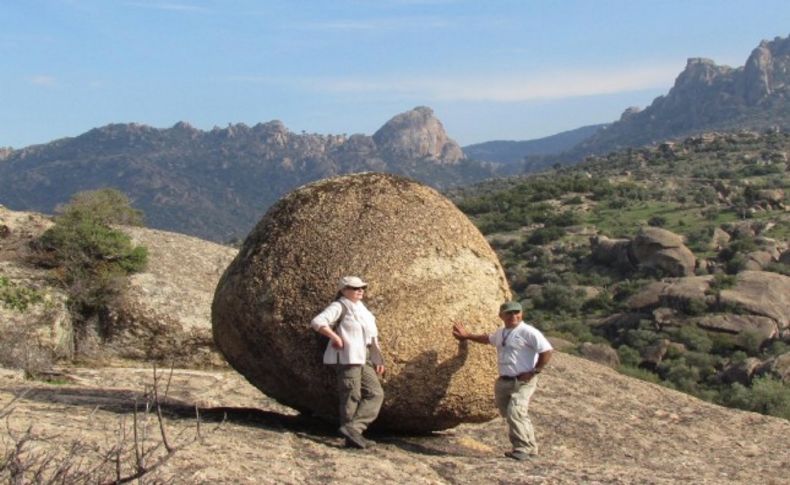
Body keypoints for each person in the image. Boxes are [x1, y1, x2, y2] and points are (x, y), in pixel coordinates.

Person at [452, 301, 553, 461]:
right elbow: (488, 339)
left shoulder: (529, 332)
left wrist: (535, 371)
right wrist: (467, 336)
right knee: (511, 414)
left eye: (516, 313)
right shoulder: (502, 333)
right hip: (504, 380)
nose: (513, 316)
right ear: (502, 316)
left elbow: (546, 350)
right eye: (509, 313)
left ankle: (523, 449)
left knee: (516, 412)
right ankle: (530, 448)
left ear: (521, 314)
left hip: (523, 381)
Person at [311, 276, 385, 449]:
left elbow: (372, 335)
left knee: (376, 393)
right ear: (344, 290)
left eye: (362, 288)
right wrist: (335, 337)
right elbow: (317, 322)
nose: (360, 290)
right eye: (354, 288)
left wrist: (377, 358)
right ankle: (352, 438)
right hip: (348, 356)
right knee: (352, 395)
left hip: (364, 356)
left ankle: (353, 429)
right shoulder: (339, 306)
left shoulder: (362, 308)